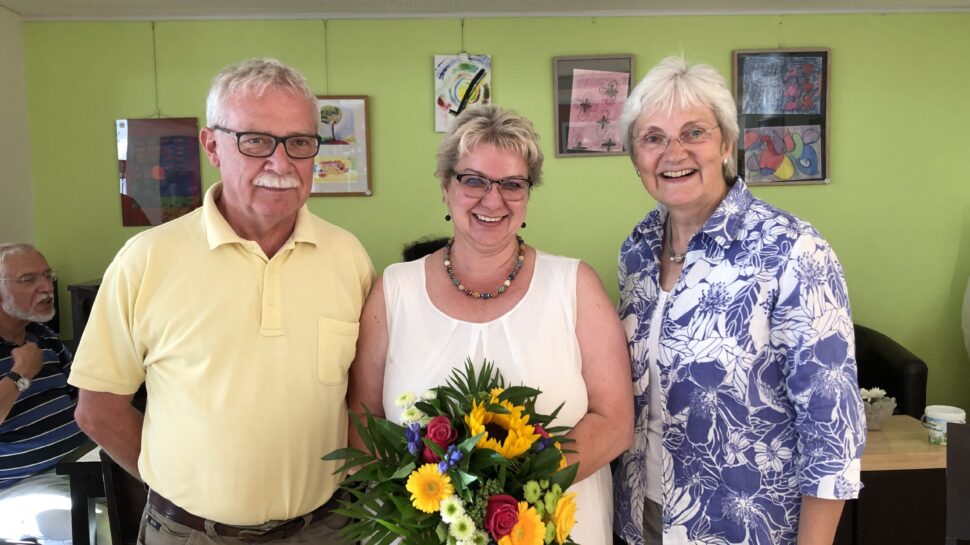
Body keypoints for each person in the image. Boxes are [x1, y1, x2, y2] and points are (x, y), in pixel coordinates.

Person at [69, 58, 373, 545]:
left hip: (328, 529)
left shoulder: (348, 257)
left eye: (299, 142)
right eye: (255, 141)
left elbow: (361, 395)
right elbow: (98, 409)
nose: (281, 163)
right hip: (190, 535)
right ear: (212, 145)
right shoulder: (146, 259)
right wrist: (182, 489)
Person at [347, 104, 634, 544]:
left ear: (528, 193)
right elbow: (363, 419)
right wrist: (432, 510)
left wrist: (505, 494)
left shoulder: (575, 285)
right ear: (445, 186)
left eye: (512, 184)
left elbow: (614, 420)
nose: (492, 199)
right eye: (473, 180)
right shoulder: (393, 290)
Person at [611, 56, 866, 545]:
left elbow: (832, 428)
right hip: (645, 517)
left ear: (727, 143)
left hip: (749, 526)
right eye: (653, 137)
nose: (673, 152)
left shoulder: (792, 249)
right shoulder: (637, 251)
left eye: (694, 133)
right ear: (635, 157)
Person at [0, 243, 88, 544]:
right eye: (29, 280)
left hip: (80, 467)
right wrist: (20, 374)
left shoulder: (43, 337)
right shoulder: (31, 354)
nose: (46, 287)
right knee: (100, 527)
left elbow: (82, 396)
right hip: (20, 487)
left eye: (47, 276)